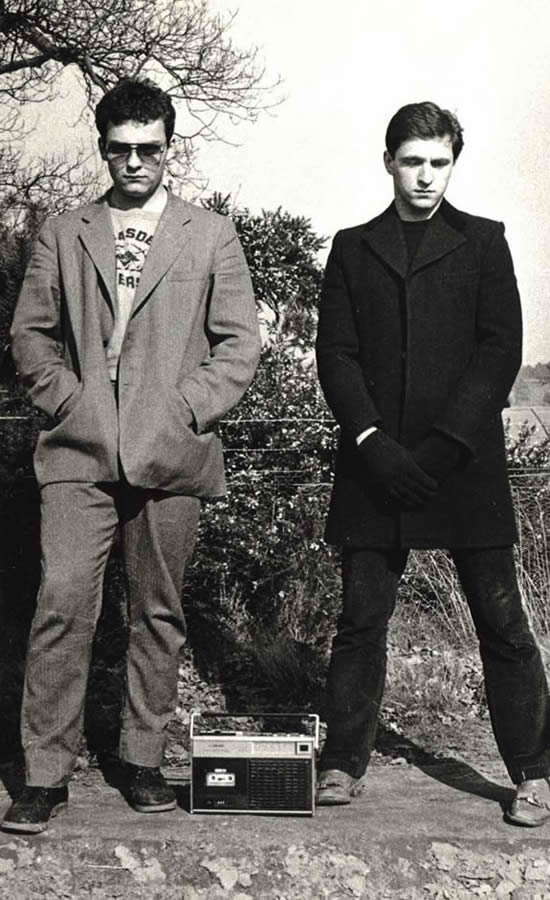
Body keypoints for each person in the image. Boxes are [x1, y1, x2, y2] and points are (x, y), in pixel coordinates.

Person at [2, 78, 261, 833]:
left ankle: (142, 758)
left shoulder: (211, 234)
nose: (136, 162)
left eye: (150, 148)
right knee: (61, 604)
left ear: (169, 148)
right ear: (104, 149)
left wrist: (186, 409)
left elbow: (239, 344)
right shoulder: (64, 232)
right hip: (79, 452)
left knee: (158, 611)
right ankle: (44, 774)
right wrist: (67, 400)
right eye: (121, 149)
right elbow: (30, 335)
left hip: (171, 452)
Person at [315, 101, 550, 825]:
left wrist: (447, 446)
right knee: (361, 621)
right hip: (375, 467)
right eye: (412, 161)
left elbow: (499, 350)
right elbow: (337, 355)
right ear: (388, 162)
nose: (425, 176)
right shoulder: (353, 247)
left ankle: (535, 773)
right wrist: (372, 443)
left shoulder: (484, 241)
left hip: (463, 465)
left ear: (453, 163)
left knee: (502, 621)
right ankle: (340, 762)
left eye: (439, 162)